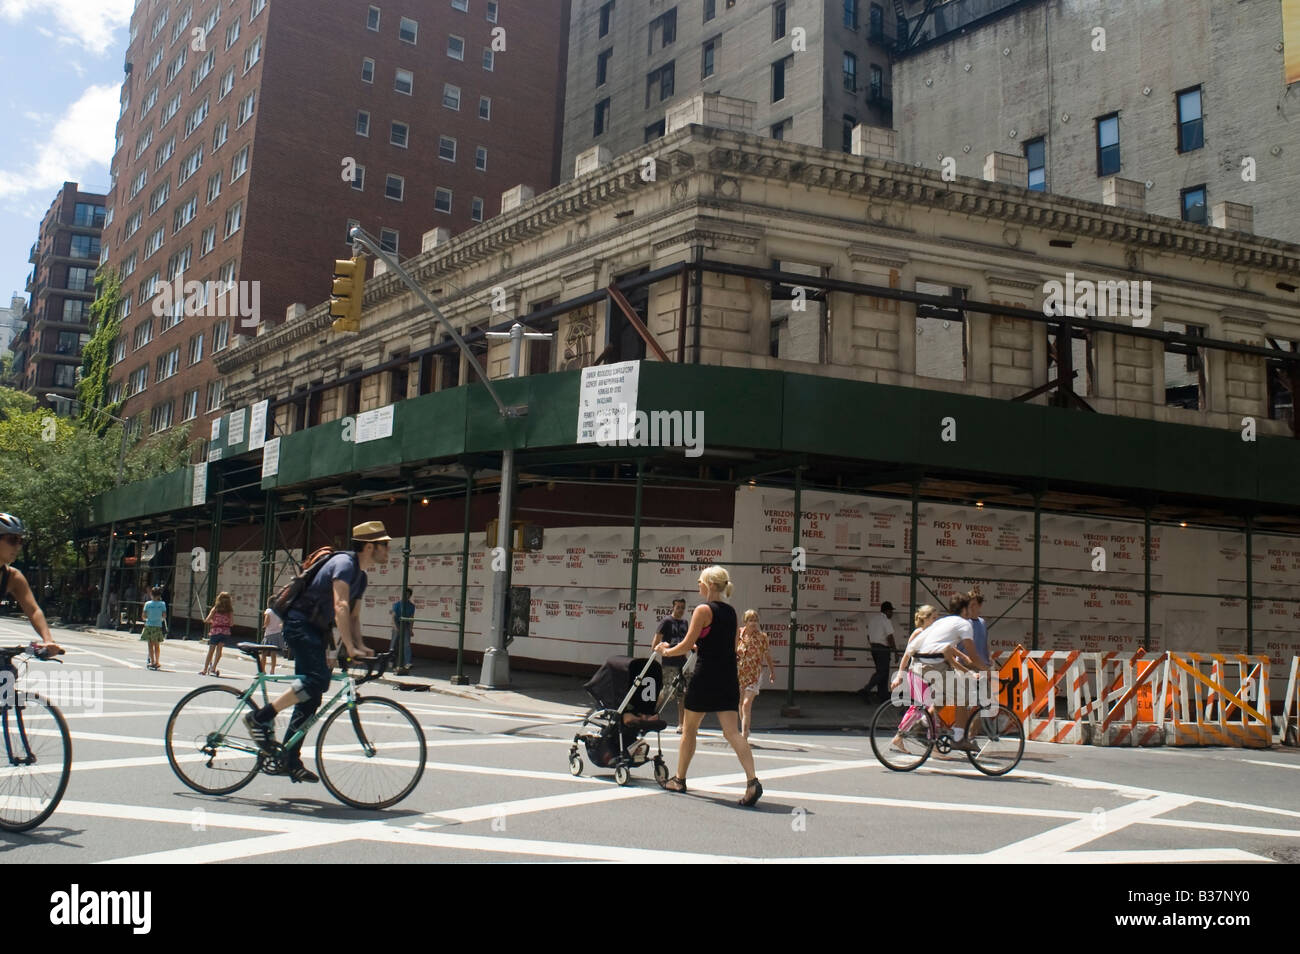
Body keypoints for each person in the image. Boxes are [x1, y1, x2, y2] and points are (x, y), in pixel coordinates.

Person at [243, 521, 383, 784]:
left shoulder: (361, 577)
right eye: (384, 545)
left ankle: (289, 759)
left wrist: (361, 645)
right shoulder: (345, 564)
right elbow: (340, 604)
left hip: (316, 629)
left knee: (311, 696)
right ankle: (259, 718)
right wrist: (350, 647)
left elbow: (353, 617)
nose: (388, 550)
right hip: (299, 623)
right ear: (369, 546)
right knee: (317, 680)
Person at [656, 565, 762, 807]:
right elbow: (731, 645)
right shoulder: (732, 612)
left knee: (689, 729)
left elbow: (685, 645)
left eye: (700, 582)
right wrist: (703, 645)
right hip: (727, 676)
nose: (698, 586)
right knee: (732, 732)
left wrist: (666, 650)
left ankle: (679, 779)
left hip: (705, 676)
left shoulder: (703, 610)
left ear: (710, 585)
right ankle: (752, 781)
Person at [904, 595, 980, 750]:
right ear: (964, 609)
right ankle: (959, 738)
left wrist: (966, 664)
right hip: (932, 665)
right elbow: (968, 654)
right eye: (970, 607)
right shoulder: (963, 624)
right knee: (961, 695)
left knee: (945, 696)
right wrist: (983, 669)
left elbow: (948, 650)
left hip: (922, 664)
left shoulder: (941, 623)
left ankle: (923, 723)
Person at [0, 514, 63, 656]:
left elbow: (33, 610)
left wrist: (48, 641)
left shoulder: (13, 577)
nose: (17, 546)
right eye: (12, 540)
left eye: (20, 541)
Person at [736, 609, 776, 740]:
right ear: (745, 622)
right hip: (740, 674)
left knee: (747, 704)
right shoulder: (739, 634)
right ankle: (745, 728)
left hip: (754, 674)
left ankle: (744, 734)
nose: (753, 623)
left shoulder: (762, 637)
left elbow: (767, 655)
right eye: (750, 620)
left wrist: (772, 671)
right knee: (740, 704)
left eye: (755, 620)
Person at [650, 597, 689, 731]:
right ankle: (651, 713)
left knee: (682, 694)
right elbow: (655, 644)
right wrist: (666, 649)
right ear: (673, 607)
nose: (680, 610)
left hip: (683, 662)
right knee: (667, 692)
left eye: (683, 608)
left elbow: (687, 642)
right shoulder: (666, 621)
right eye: (678, 607)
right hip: (669, 663)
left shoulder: (685, 622)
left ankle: (681, 724)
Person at [859, 600, 898, 702]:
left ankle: (883, 695)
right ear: (887, 611)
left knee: (883, 673)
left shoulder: (873, 619)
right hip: (882, 649)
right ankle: (866, 690)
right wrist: (895, 651)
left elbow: (868, 636)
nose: (892, 614)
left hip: (874, 648)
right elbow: (890, 637)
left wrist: (873, 645)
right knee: (882, 672)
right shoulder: (886, 621)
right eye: (891, 611)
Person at [200, 591, 235, 676]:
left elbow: (207, 620)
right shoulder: (230, 610)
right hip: (225, 631)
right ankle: (213, 668)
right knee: (219, 650)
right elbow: (231, 623)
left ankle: (204, 669)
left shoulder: (215, 608)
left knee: (211, 651)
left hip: (215, 631)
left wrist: (213, 621)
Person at [140, 586, 168, 670]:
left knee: (150, 645)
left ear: (151, 594)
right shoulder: (162, 604)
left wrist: (148, 618)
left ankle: (152, 661)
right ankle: (157, 661)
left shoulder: (147, 604)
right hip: (158, 626)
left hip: (149, 625)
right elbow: (164, 616)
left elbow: (144, 616)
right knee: (157, 645)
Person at [390, 587, 415, 675]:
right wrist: (395, 627)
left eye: (408, 594)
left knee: (406, 644)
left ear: (410, 596)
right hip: (397, 623)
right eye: (405, 594)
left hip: (405, 624)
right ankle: (392, 661)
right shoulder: (397, 604)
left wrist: (411, 629)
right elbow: (393, 617)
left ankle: (408, 662)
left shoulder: (412, 606)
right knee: (394, 644)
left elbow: (412, 618)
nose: (406, 596)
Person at [966, 588, 991, 669]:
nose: (970, 607)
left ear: (980, 605)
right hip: (966, 666)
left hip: (983, 666)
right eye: (968, 604)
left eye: (973, 604)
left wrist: (989, 658)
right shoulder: (963, 622)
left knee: (994, 681)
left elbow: (985, 643)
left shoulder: (982, 622)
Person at [261, 605, 285, 674]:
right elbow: (282, 623)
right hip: (277, 634)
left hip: (269, 634)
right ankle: (272, 671)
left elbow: (266, 622)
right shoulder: (279, 611)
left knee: (263, 653)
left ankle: (263, 670)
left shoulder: (269, 611)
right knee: (273, 654)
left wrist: (264, 626)